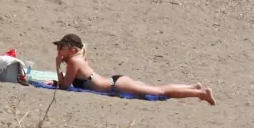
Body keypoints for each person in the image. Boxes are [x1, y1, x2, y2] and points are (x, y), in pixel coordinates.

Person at [51, 33, 215, 105]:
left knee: (160, 91)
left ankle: (200, 93)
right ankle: (193, 87)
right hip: (115, 81)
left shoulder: (74, 62)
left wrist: (58, 66)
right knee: (158, 89)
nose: (58, 51)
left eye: (61, 48)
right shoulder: (77, 59)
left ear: (72, 50)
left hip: (117, 85)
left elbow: (65, 86)